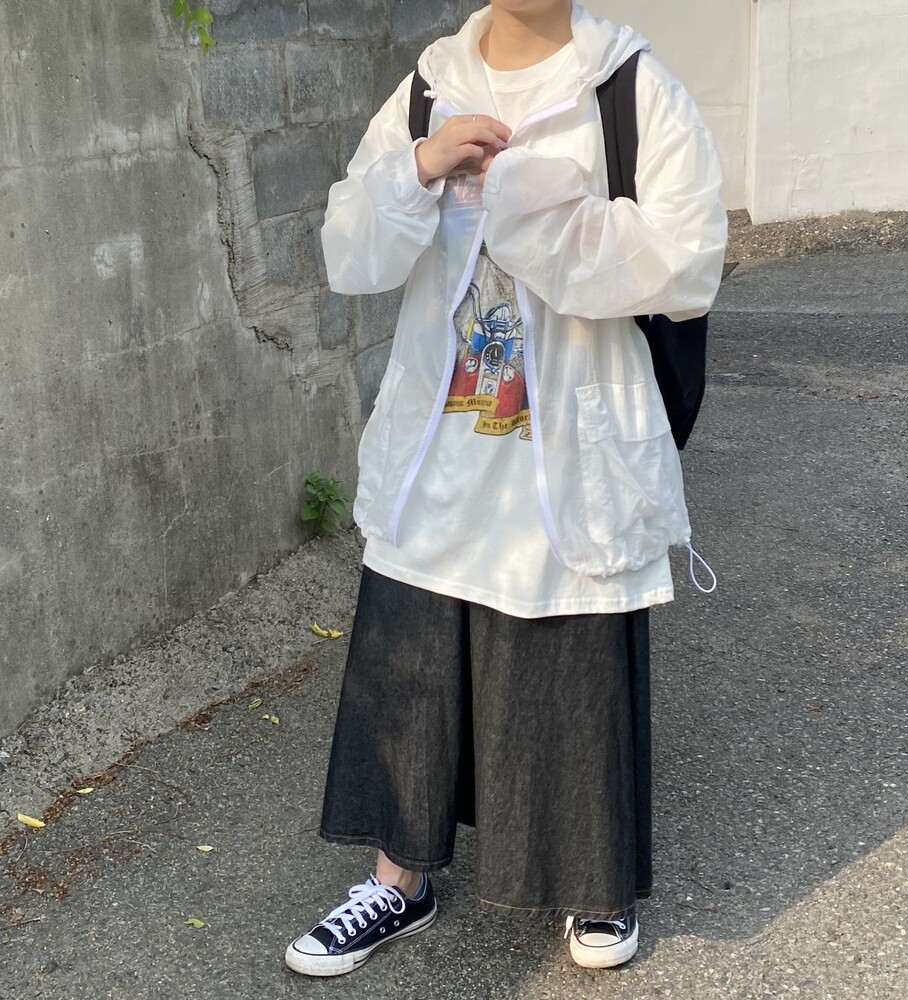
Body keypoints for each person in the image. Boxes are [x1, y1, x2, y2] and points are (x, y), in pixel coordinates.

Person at [284, 0, 727, 977]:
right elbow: (349, 250)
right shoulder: (430, 85)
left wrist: (536, 203)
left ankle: (595, 882)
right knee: (413, 654)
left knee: (570, 659)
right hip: (439, 451)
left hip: (570, 451)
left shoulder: (629, 87)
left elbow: (690, 259)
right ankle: (397, 880)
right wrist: (418, 167)